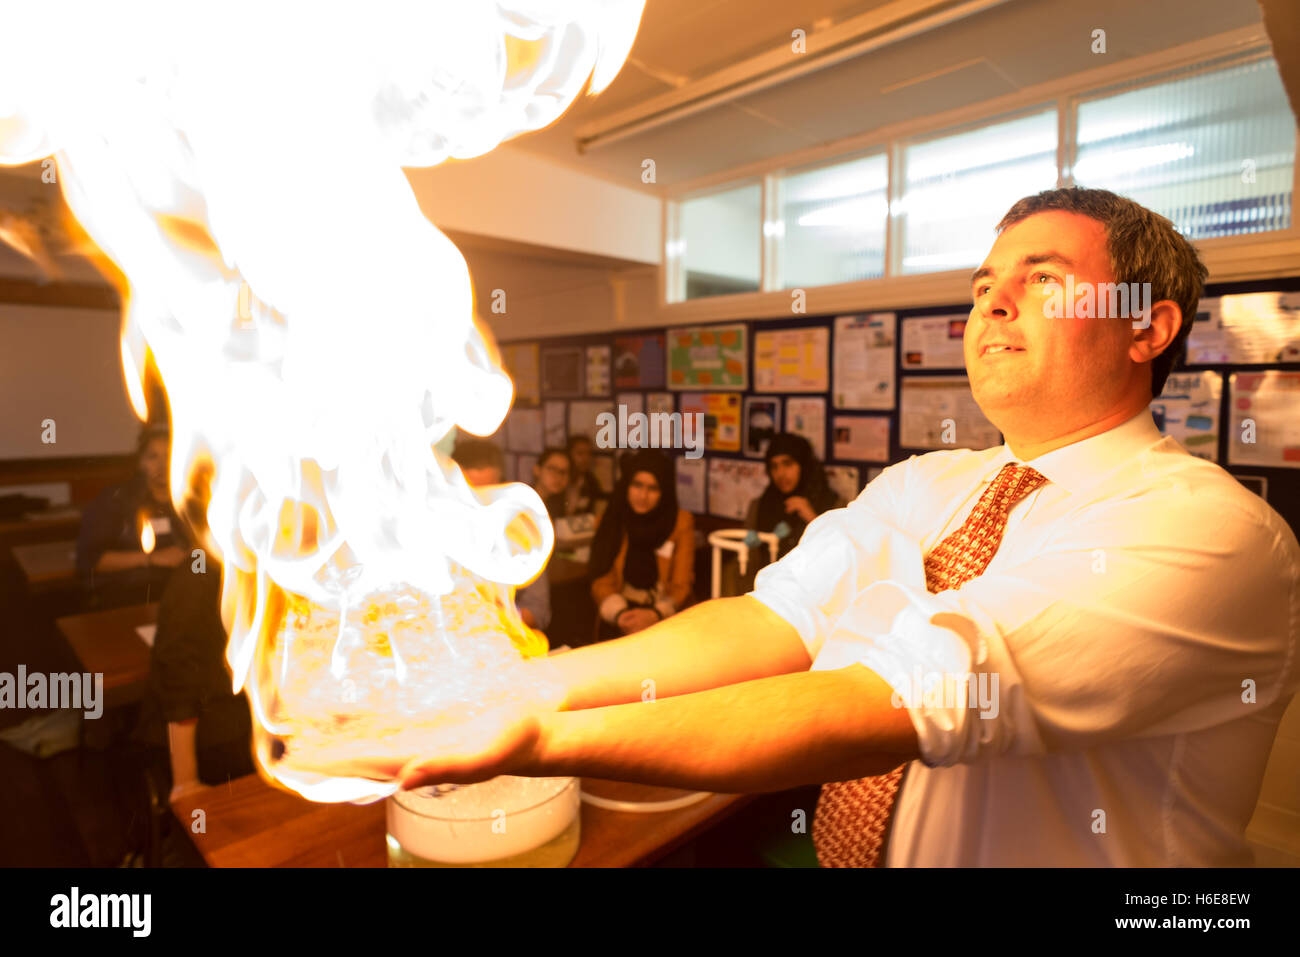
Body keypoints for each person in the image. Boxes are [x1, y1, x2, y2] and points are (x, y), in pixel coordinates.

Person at [348, 188, 1300, 868]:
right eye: (981, 284)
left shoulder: (1210, 531)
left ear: (1146, 326)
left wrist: (541, 735)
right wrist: (528, 680)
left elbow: (886, 703)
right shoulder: (929, 482)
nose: (990, 304)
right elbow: (774, 623)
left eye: (1041, 279)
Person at [75, 421, 187, 606]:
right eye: (153, 457)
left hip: (180, 593)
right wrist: (151, 559)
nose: (162, 464)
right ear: (140, 461)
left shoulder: (192, 501)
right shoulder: (116, 500)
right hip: (129, 593)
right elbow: (90, 561)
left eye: (169, 456)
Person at [589, 450, 694, 639]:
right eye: (637, 485)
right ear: (627, 485)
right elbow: (601, 580)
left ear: (665, 491)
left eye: (653, 488)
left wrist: (655, 614)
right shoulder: (611, 519)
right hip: (620, 612)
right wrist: (620, 614)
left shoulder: (680, 523)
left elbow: (681, 585)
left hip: (663, 614)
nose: (643, 496)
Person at [451, 438, 550, 631]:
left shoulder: (518, 532)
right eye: (470, 493)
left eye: (487, 491)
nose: (479, 501)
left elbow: (538, 608)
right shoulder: (434, 530)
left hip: (503, 643)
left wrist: (502, 621)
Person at [745, 433, 843, 560]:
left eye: (788, 464)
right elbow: (747, 561)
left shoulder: (833, 504)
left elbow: (840, 553)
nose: (780, 473)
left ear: (804, 466)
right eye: (774, 466)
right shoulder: (760, 504)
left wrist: (812, 517)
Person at [564, 433, 609, 518]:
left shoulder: (591, 481)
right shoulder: (560, 480)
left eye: (588, 454)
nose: (585, 459)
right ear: (569, 454)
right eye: (580, 453)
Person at [531, 447, 571, 521]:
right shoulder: (523, 501)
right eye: (552, 469)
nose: (558, 476)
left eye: (563, 472)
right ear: (537, 470)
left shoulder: (557, 504)